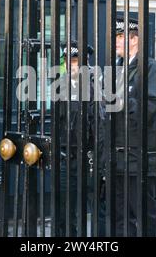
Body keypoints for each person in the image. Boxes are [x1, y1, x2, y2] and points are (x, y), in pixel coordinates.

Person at [101, 14, 156, 237]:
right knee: (121, 219)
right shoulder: (116, 69)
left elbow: (147, 111)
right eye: (117, 36)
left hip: (141, 158)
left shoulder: (151, 69)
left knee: (148, 217)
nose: (117, 41)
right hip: (118, 158)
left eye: (121, 36)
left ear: (135, 40)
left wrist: (118, 96)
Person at [58, 41, 105, 236]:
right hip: (65, 156)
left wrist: (101, 165)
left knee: (98, 211)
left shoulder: (95, 86)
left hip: (89, 157)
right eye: (68, 60)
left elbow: (101, 125)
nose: (71, 64)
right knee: (64, 210)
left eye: (75, 60)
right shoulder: (61, 85)